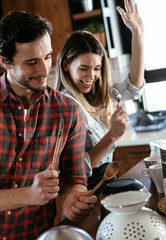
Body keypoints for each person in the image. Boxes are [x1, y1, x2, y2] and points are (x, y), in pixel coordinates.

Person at [0, 11, 97, 240]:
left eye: (47, 57)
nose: (44, 70)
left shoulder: (68, 112)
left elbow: (74, 180)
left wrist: (72, 199)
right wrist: (29, 194)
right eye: (32, 62)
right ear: (4, 61)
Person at [56, 0, 145, 191]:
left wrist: (138, 34)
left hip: (104, 187)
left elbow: (133, 88)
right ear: (66, 65)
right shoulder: (65, 105)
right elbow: (76, 169)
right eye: (84, 69)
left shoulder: (95, 93)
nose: (91, 76)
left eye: (97, 68)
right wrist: (112, 136)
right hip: (83, 196)